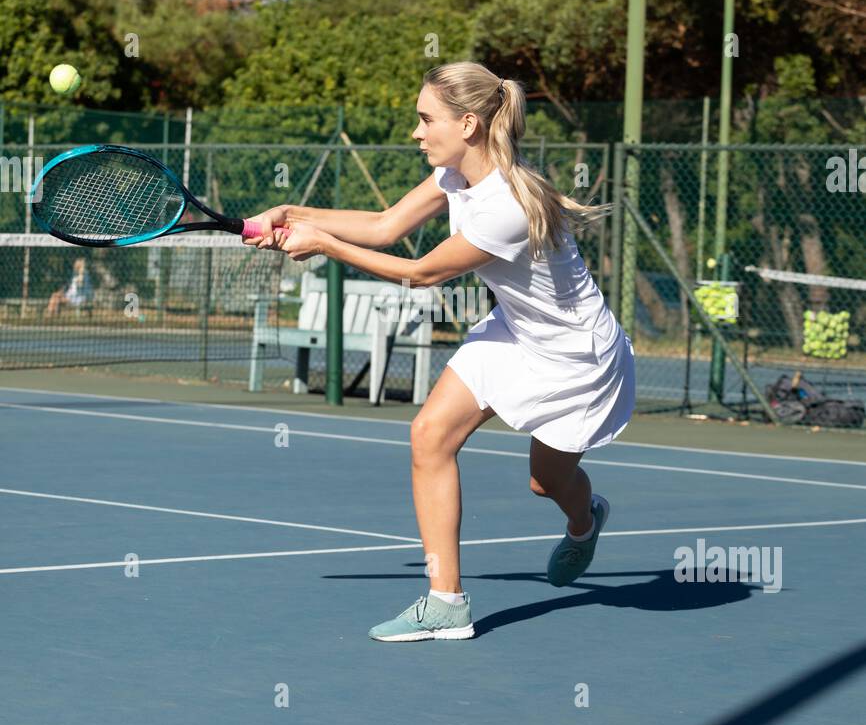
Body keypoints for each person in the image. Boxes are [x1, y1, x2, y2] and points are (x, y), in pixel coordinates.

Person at [246, 62, 635, 642]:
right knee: (429, 435)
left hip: (576, 357)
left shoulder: (505, 203)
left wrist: (323, 242)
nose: (417, 132)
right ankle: (446, 601)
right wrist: (291, 214)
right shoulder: (455, 174)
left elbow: (422, 274)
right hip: (515, 332)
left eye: (427, 119)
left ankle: (584, 521)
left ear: (470, 124)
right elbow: (383, 227)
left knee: (546, 482)